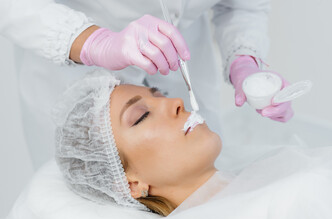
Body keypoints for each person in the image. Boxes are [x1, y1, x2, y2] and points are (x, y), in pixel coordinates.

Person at [52, 71, 332, 219]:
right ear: (130, 183)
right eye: (141, 116)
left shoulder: (280, 169)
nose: (174, 101)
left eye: (158, 93)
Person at [0, 0, 293, 169]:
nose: (177, 104)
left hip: (185, 53)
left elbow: (243, 5)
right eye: (140, 116)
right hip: (71, 65)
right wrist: (91, 41)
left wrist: (244, 58)